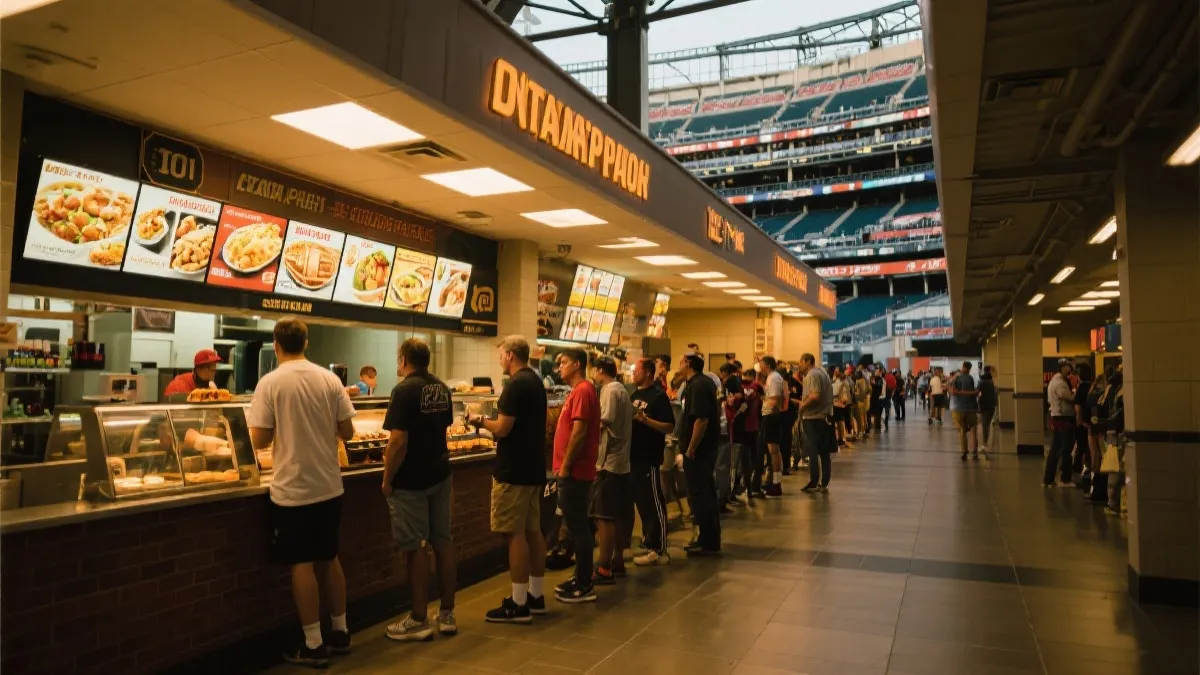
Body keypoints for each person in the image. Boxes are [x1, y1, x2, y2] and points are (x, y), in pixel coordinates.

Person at [247, 320, 356, 667]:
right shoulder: (330, 379)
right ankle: (340, 632)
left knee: (302, 564)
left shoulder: (270, 382)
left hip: (293, 489)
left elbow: (259, 439)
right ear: (306, 342)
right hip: (329, 485)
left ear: (276, 345)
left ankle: (312, 644)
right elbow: (348, 432)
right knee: (330, 557)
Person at [380, 338, 458, 641]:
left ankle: (418, 619)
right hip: (440, 473)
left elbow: (398, 441)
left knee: (414, 550)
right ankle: (447, 614)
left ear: (403, 360)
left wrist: (387, 478)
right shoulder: (440, 387)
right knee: (443, 542)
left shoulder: (403, 390)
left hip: (411, 481)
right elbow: (443, 426)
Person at [475, 337, 548, 624]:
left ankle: (518, 604)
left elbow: (503, 428)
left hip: (513, 471)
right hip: (532, 468)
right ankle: (536, 595)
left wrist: (480, 421)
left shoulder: (515, 385)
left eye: (500, 355)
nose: (499, 360)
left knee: (513, 533)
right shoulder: (535, 382)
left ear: (509, 354)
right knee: (533, 531)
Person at [552, 349, 601, 603]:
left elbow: (579, 432)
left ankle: (584, 584)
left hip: (575, 471)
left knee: (578, 528)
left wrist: (568, 466)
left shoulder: (582, 390)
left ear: (577, 364)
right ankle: (580, 576)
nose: (559, 367)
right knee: (576, 527)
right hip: (573, 469)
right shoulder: (580, 390)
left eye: (563, 362)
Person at [590, 355, 633, 585]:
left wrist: (584, 426)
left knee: (604, 515)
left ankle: (604, 566)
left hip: (609, 461)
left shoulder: (609, 390)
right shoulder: (622, 390)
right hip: (621, 461)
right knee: (614, 514)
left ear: (600, 370)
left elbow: (605, 418)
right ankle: (617, 560)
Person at [629, 358, 674, 566]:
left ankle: (660, 548)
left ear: (647, 372)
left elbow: (668, 426)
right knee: (643, 503)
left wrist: (645, 420)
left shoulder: (658, 397)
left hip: (650, 457)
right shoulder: (634, 394)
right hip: (633, 456)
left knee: (654, 502)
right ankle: (649, 542)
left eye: (636, 370)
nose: (633, 373)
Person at [679, 353, 721, 555]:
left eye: (680, 362)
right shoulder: (702, 383)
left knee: (701, 494)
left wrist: (691, 448)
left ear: (688, 364)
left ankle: (708, 541)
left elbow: (701, 420)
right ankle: (708, 538)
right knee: (704, 493)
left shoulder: (698, 386)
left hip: (699, 451)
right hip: (703, 449)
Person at [796, 354, 834, 492]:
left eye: (800, 361)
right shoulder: (822, 373)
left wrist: (802, 408)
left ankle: (814, 481)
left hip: (813, 418)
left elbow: (814, 396)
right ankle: (824, 483)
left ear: (807, 361)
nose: (799, 364)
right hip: (824, 417)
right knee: (824, 452)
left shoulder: (812, 375)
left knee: (812, 452)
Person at [1044, 361, 1076, 488]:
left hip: (1057, 416)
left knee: (1056, 448)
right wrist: (1075, 389)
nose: (1070, 370)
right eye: (1068, 367)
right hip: (1063, 417)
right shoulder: (1060, 383)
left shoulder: (1054, 381)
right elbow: (1070, 397)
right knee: (1065, 448)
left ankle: (1049, 478)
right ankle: (1065, 479)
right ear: (1062, 368)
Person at [1084, 367, 1113, 504]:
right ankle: (1101, 491)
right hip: (1101, 430)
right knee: (1103, 457)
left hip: (1092, 428)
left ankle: (1094, 488)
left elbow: (1087, 413)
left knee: (1094, 456)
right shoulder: (1104, 395)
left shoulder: (1090, 395)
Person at [758, 356, 786, 496]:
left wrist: (763, 401)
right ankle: (772, 481)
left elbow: (774, 400)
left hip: (771, 416)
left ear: (767, 365)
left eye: (761, 364)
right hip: (769, 416)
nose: (760, 367)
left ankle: (776, 483)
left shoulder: (774, 378)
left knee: (773, 450)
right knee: (771, 451)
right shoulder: (771, 378)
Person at [1104, 371, 1126, 516]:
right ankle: (1116, 503)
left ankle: (1112, 502)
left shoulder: (1111, 391)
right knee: (1119, 469)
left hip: (1111, 434)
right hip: (1120, 434)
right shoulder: (1122, 392)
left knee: (1114, 468)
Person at [949, 361, 979, 460]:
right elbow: (974, 392)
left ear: (963, 367)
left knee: (963, 431)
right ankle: (974, 452)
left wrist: (960, 392)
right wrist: (972, 392)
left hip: (960, 408)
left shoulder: (957, 377)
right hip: (971, 408)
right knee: (973, 430)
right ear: (969, 368)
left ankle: (964, 451)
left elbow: (953, 391)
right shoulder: (970, 378)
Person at [782, 365, 803, 474]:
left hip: (792, 416)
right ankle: (787, 464)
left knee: (792, 439)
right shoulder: (787, 384)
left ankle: (791, 462)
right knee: (789, 440)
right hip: (786, 417)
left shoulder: (796, 384)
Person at [831, 368, 854, 449]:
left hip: (838, 404)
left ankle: (840, 439)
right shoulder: (837, 382)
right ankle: (840, 440)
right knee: (839, 422)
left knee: (839, 422)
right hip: (838, 404)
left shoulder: (836, 382)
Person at [977, 366, 998, 452]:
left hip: (983, 405)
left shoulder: (980, 382)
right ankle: (985, 441)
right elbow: (995, 395)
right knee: (987, 423)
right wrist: (995, 404)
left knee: (984, 424)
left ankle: (984, 442)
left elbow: (978, 393)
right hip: (991, 406)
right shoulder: (992, 382)